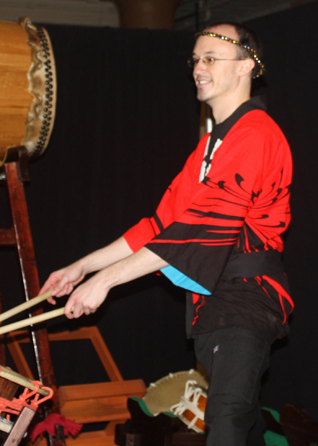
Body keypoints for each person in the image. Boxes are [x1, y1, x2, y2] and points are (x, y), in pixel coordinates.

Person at [40, 22, 293, 446]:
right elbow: (158, 227)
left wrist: (104, 282)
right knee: (242, 420)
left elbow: (201, 227)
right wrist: (79, 269)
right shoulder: (209, 147)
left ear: (246, 66)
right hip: (213, 302)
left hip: (248, 297)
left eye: (211, 57)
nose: (199, 67)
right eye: (195, 59)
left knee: (226, 418)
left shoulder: (256, 134)